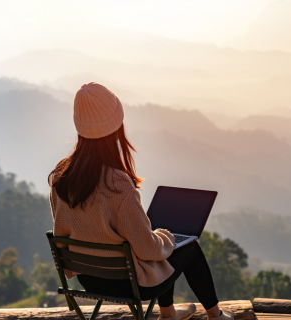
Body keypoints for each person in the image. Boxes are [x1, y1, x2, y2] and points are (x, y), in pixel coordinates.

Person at [48, 82, 233, 320]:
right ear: (116, 127)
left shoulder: (60, 178)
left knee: (162, 246)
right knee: (188, 249)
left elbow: (65, 233)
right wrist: (165, 236)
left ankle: (168, 313)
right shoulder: (117, 184)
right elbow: (148, 249)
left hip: (88, 279)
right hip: (129, 284)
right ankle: (216, 316)